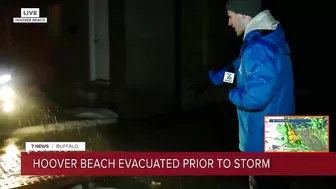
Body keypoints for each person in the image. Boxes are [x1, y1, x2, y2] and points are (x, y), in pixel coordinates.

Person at [209, 0, 295, 188]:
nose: (229, 23)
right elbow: (242, 71)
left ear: (243, 15)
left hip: (264, 141)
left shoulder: (259, 47)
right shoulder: (266, 39)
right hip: (281, 133)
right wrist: (218, 76)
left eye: (230, 16)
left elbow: (255, 97)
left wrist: (229, 94)